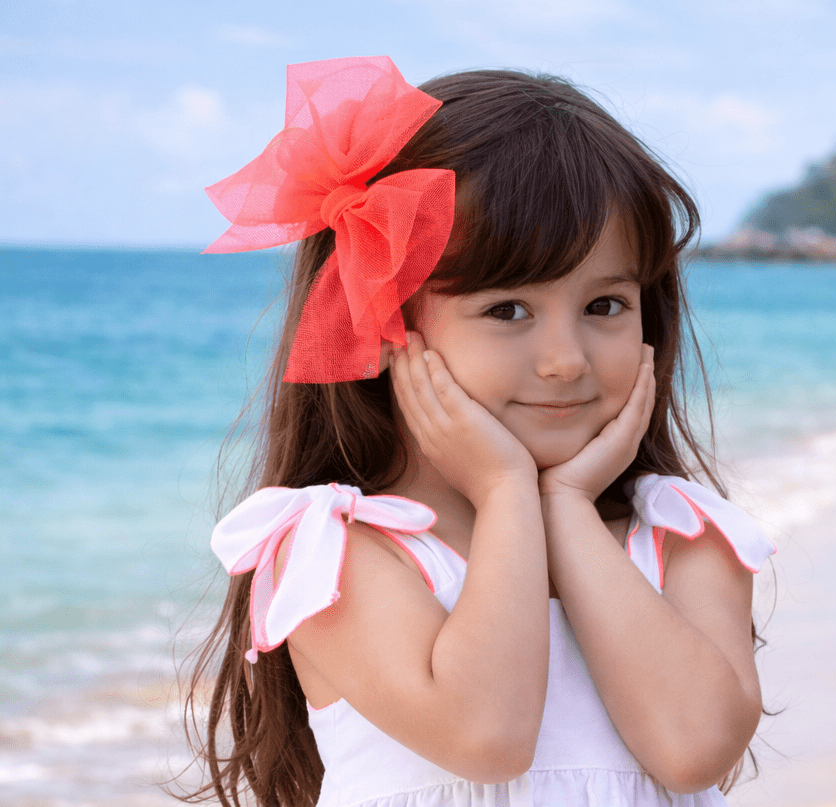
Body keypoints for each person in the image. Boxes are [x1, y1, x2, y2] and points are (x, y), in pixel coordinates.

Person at [179, 55, 776, 807]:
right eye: (508, 310)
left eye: (606, 306)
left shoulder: (677, 536)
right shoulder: (337, 553)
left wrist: (564, 509)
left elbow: (693, 748)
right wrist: (503, 492)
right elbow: (487, 735)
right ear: (389, 323)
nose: (565, 360)